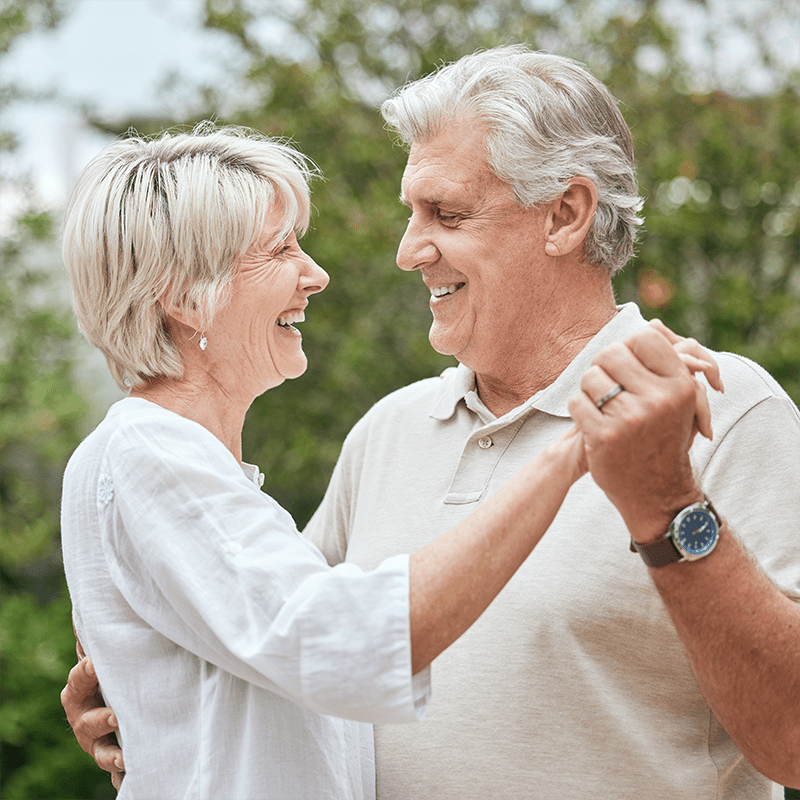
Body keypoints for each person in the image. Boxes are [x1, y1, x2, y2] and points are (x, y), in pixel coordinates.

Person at [62, 48, 800, 798]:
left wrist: (670, 502)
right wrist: (152, 687)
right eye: (410, 213)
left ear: (566, 215)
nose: (407, 251)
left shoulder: (727, 411)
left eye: (446, 214)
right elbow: (302, 640)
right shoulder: (389, 431)